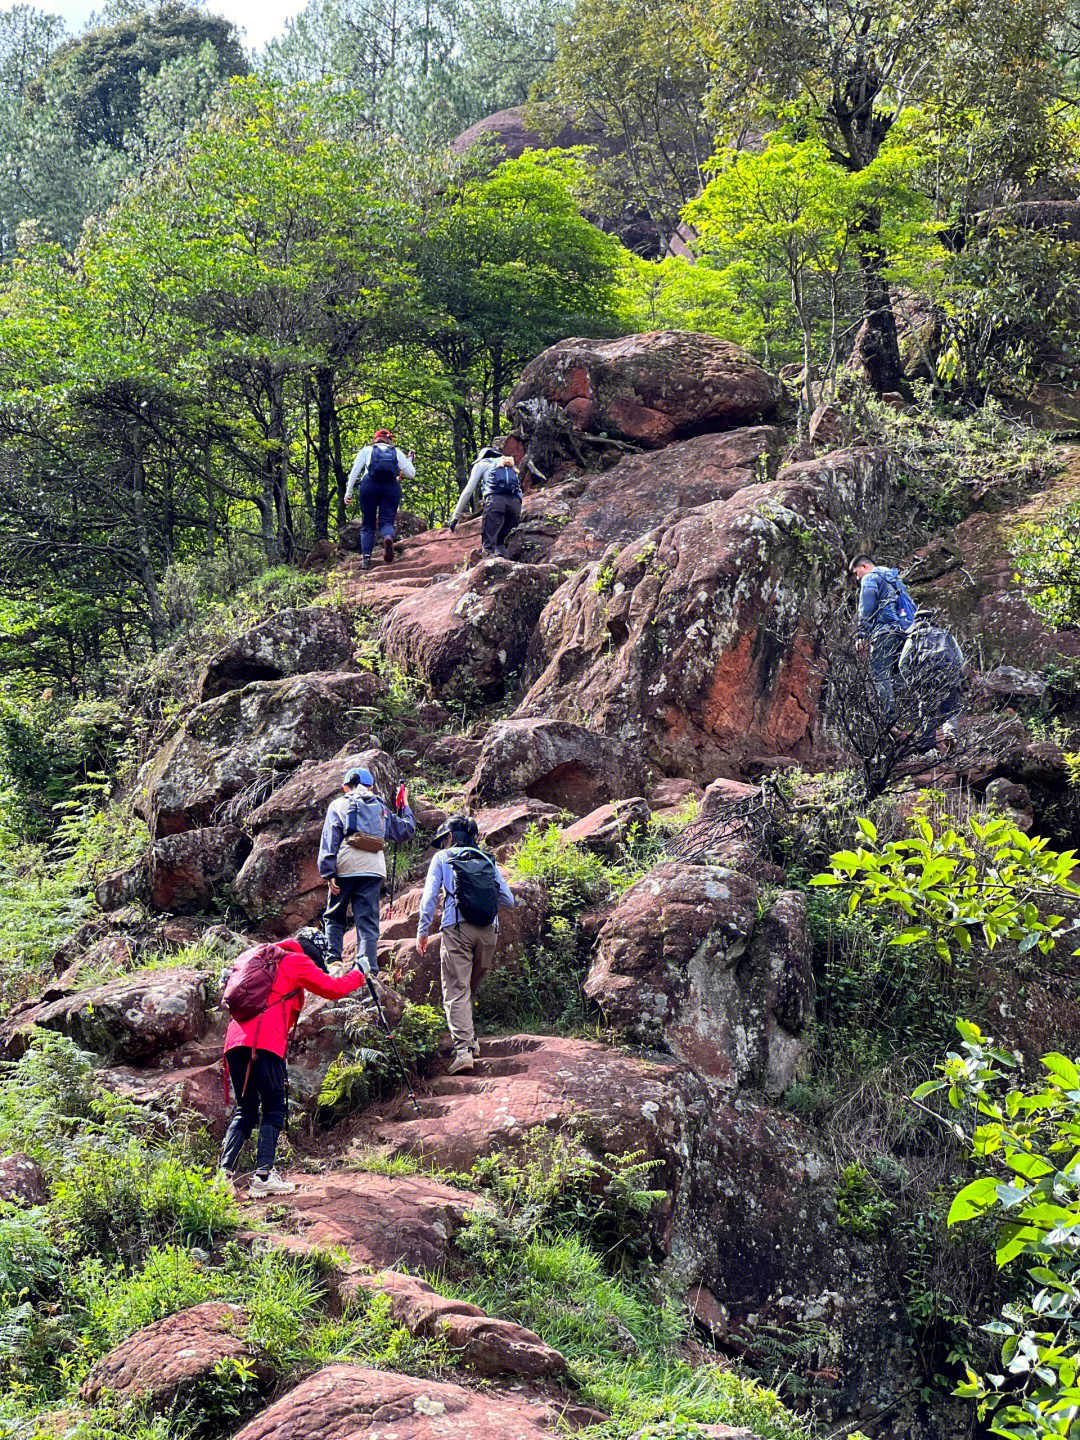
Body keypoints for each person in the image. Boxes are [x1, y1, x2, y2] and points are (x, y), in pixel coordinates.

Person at [221, 927, 365, 1195]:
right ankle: (263, 1178)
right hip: (264, 1041)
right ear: (311, 951)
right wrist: (359, 975)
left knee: (246, 1109)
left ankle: (223, 1176)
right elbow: (333, 989)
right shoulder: (296, 961)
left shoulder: (258, 955)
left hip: (234, 1041)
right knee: (274, 1106)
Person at [416, 814, 515, 1074]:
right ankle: (471, 1040)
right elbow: (508, 899)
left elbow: (428, 897)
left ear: (450, 836)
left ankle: (463, 1052)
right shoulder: (486, 859)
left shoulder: (442, 858)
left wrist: (423, 929)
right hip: (488, 932)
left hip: (457, 928)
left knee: (456, 989)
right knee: (468, 988)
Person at [318, 766, 416, 976]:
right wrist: (405, 805)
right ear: (370, 786)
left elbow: (330, 840)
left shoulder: (338, 804)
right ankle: (366, 968)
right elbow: (405, 830)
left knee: (335, 915)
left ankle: (334, 963)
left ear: (347, 786)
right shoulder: (380, 808)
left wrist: (328, 872)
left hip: (345, 866)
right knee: (368, 920)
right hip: (373, 869)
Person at [850, 554, 918, 716]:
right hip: (904, 632)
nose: (857, 578)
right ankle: (905, 715)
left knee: (880, 672)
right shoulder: (894, 578)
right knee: (897, 674)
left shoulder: (870, 578)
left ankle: (889, 717)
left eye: (856, 573)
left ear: (864, 567)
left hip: (884, 631)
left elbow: (865, 608)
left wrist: (862, 635)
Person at [345, 429, 416, 571]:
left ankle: (366, 559)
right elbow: (411, 474)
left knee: (368, 523)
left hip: (369, 485)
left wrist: (349, 492)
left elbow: (355, 471)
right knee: (387, 521)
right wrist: (408, 461)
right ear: (389, 439)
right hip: (391, 486)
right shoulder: (396, 452)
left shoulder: (367, 450)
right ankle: (388, 537)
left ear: (375, 439)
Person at [898, 619, 965, 751]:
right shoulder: (946, 634)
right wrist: (957, 679)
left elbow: (902, 663)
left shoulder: (914, 636)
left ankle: (928, 749)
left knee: (928, 714)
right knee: (950, 711)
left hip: (926, 680)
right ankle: (950, 733)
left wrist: (912, 683)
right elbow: (960, 659)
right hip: (948, 676)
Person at [448, 446, 523, 559]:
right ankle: (507, 568)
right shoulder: (509, 464)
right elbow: (519, 491)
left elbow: (468, 491)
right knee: (500, 542)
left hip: (496, 503)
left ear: (482, 456)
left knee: (488, 547)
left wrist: (456, 516)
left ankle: (490, 572)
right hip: (515, 505)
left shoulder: (482, 464)